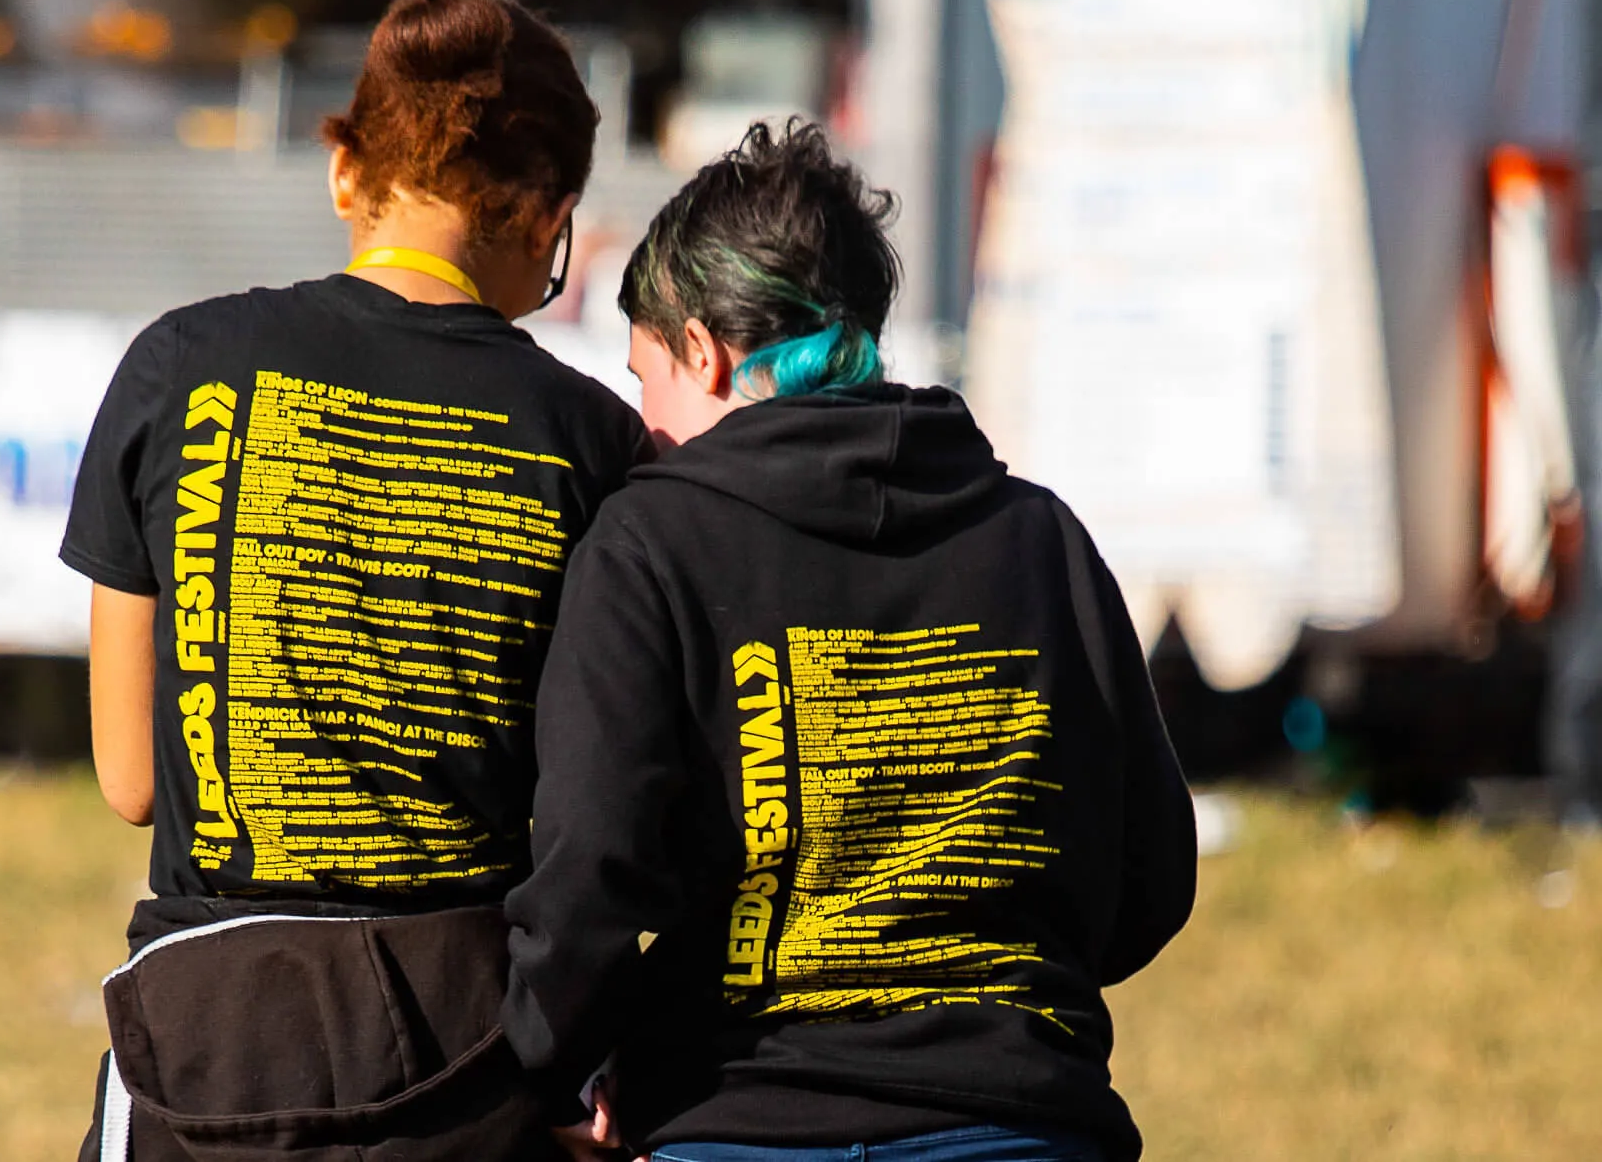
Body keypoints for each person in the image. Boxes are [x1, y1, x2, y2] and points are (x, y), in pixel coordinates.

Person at [60, 0, 649, 1162]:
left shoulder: (180, 367)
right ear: (548, 218)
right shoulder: (590, 439)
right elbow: (593, 812)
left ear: (344, 171)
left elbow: (129, 780)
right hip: (475, 1051)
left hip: (206, 1041)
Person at [502, 121, 1197, 1162]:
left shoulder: (651, 541)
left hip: (737, 1123)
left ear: (703, 347)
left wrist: (549, 1067)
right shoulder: (1036, 536)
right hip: (1019, 1118)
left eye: (647, 381)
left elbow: (588, 862)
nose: (641, 427)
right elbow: (1150, 877)